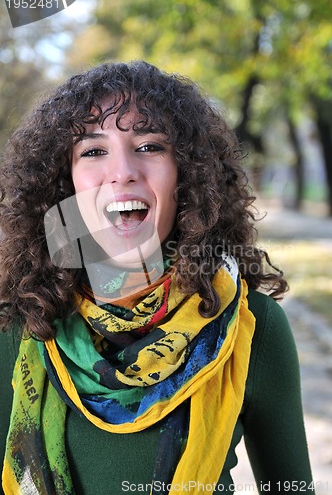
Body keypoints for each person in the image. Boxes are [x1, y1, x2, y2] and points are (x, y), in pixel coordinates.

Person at [0, 61, 315, 495]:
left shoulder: (253, 328)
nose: (122, 170)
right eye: (93, 151)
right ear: (63, 184)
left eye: (149, 146)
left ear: (188, 176)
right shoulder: (18, 326)